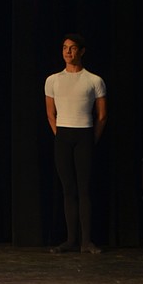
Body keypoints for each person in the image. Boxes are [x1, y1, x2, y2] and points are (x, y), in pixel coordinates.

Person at [44, 33, 107, 254]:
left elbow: (101, 116)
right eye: (64, 48)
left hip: (85, 136)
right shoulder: (53, 80)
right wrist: (59, 135)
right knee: (68, 189)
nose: (67, 52)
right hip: (63, 136)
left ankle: (86, 241)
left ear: (81, 51)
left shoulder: (94, 80)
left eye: (72, 48)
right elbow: (50, 114)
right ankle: (71, 240)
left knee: (84, 189)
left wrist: (91, 139)